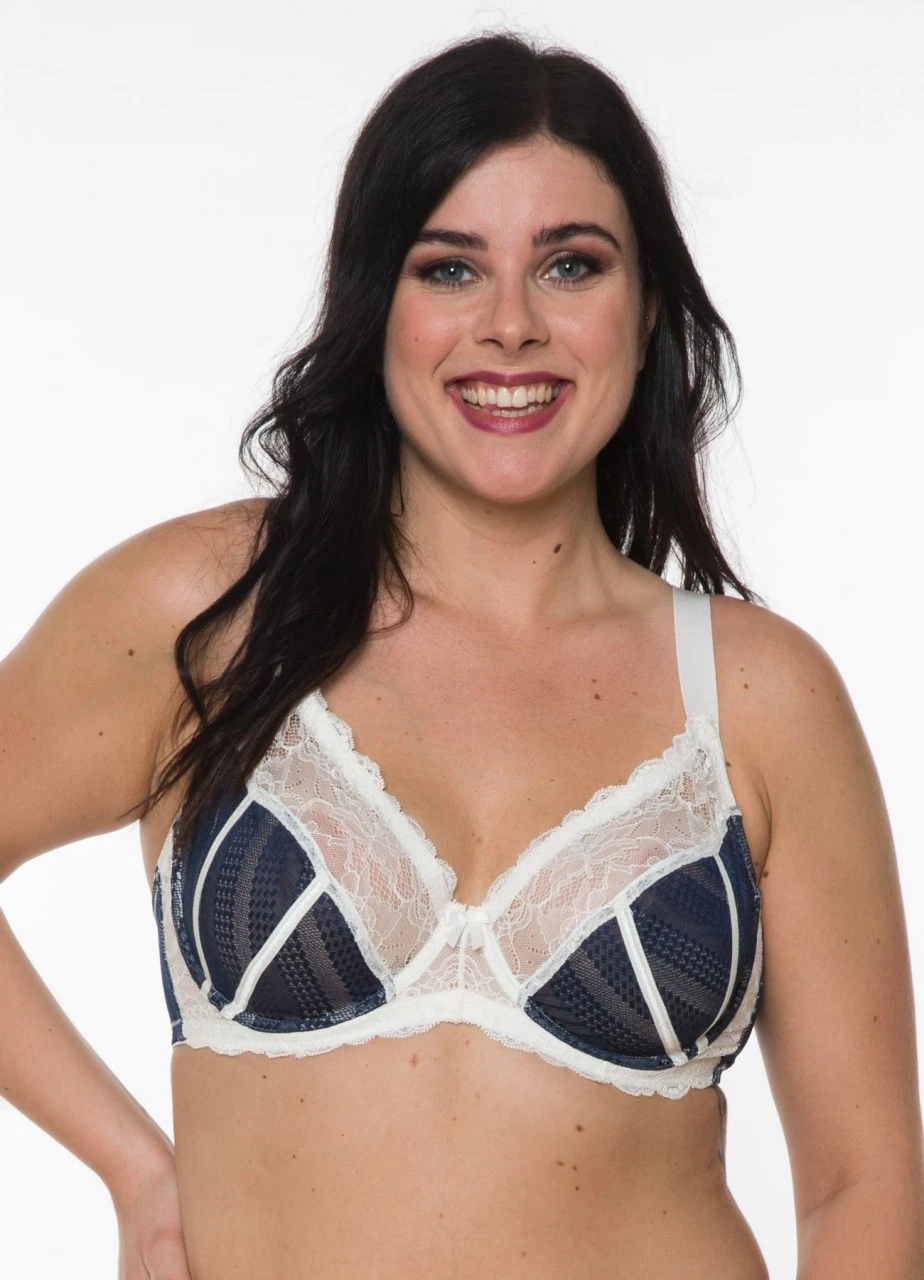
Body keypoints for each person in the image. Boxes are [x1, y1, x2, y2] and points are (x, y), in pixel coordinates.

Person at [1, 28, 922, 1280]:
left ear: (647, 310)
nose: (511, 325)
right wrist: (132, 1165)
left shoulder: (762, 696)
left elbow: (867, 1184)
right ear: (376, 302)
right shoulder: (211, 613)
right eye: (450, 267)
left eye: (570, 265)